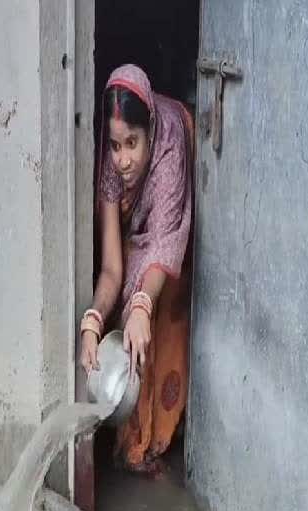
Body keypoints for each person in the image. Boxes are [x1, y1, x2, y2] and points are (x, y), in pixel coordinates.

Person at [78, 64, 195, 475]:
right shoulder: (112, 165)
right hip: (144, 231)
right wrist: (92, 320)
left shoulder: (168, 147)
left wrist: (144, 304)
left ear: (149, 133)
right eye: (114, 146)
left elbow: (165, 240)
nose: (123, 159)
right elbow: (112, 266)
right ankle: (131, 438)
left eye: (132, 143)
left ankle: (159, 437)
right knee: (128, 295)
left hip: (172, 225)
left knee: (161, 314)